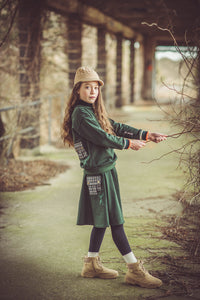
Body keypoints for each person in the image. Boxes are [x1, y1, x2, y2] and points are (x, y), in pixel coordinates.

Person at [62, 66, 167, 289]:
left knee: (102, 221)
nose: (92, 92)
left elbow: (114, 127)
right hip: (99, 174)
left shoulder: (91, 111)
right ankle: (134, 270)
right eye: (86, 87)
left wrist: (146, 134)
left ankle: (91, 263)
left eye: (95, 88)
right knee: (116, 221)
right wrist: (129, 144)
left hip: (105, 171)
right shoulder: (80, 114)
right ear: (77, 90)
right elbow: (101, 137)